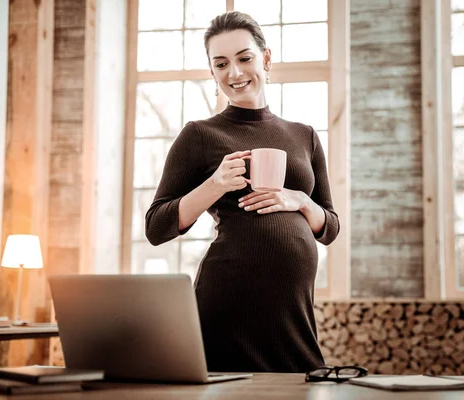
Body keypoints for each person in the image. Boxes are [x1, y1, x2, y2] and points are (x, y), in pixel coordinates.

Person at [145, 11, 339, 373]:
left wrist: (300, 200)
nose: (233, 72)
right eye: (221, 64)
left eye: (244, 58)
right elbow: (156, 227)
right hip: (227, 299)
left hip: (292, 312)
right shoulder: (200, 135)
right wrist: (214, 185)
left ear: (266, 60)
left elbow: (330, 227)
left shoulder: (305, 136)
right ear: (212, 71)